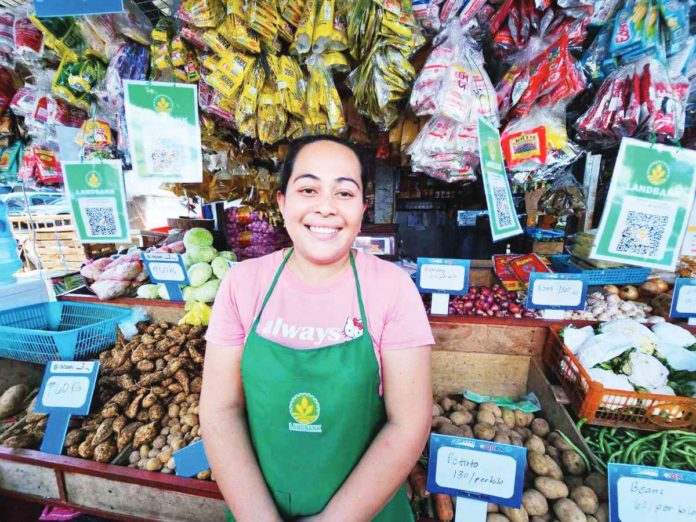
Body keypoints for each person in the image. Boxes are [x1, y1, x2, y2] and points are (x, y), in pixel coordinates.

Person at [201, 135, 434, 521]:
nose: (325, 207)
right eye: (308, 189)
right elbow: (220, 410)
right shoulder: (242, 283)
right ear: (282, 202)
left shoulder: (392, 289)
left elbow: (408, 423)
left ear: (362, 208)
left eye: (344, 193)